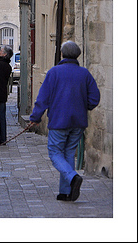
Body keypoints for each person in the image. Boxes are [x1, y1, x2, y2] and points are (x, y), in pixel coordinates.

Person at [29, 41, 100, 202]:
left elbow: (43, 98)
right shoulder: (84, 73)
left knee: (55, 153)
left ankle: (73, 177)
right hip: (78, 121)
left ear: (62, 54)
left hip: (59, 120)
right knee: (68, 153)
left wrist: (35, 117)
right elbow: (95, 97)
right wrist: (84, 106)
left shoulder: (54, 72)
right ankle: (65, 192)